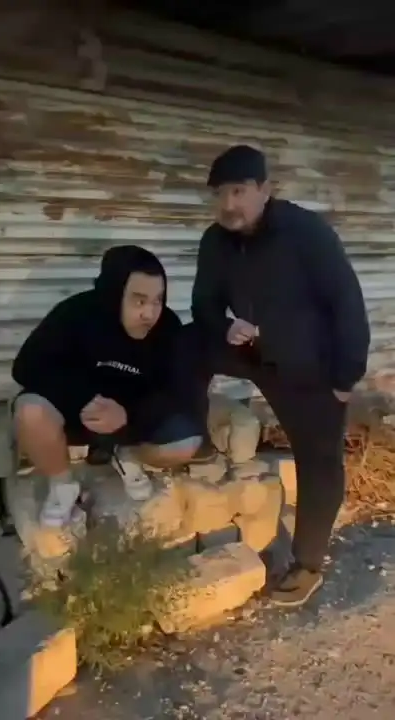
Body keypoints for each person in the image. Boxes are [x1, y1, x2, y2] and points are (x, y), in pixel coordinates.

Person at [181, 144, 370, 608]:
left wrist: (345, 377)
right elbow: (203, 305)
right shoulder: (215, 241)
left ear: (265, 189)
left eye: (239, 192)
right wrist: (224, 327)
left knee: (319, 460)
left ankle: (306, 565)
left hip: (308, 368)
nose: (229, 204)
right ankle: (188, 434)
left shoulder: (306, 233)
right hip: (251, 351)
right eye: (220, 194)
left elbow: (347, 303)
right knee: (184, 341)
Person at [11, 245, 201, 531]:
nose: (150, 313)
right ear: (114, 294)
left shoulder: (169, 328)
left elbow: (178, 391)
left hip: (130, 423)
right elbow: (26, 366)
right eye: (139, 301)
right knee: (30, 411)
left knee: (186, 442)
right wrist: (82, 399)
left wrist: (128, 415)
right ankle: (62, 486)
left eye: (158, 300)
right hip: (77, 416)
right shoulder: (76, 312)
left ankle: (126, 457)